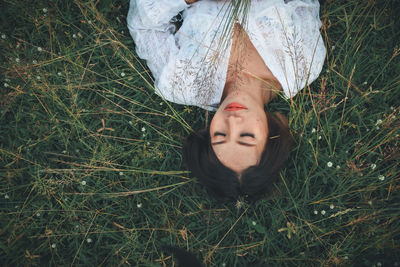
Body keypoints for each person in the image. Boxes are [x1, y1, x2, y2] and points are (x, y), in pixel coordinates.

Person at [127, 0, 326, 201]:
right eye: (247, 136)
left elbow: (144, 25)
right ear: (270, 137)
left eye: (220, 135)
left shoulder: (181, 84)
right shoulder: (304, 65)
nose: (233, 120)